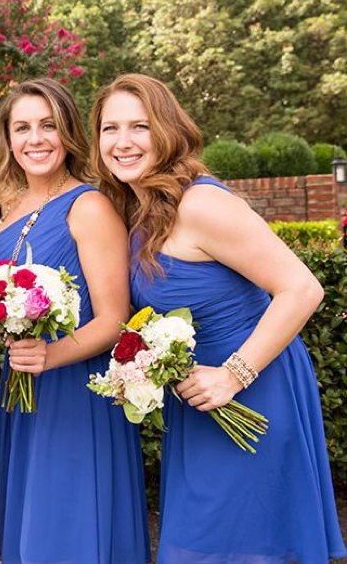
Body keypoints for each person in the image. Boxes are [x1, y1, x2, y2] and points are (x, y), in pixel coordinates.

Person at [91, 73, 346, 564]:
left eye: (139, 127)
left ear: (166, 130)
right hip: (199, 404)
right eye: (110, 128)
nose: (122, 142)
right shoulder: (143, 210)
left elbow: (301, 288)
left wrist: (234, 374)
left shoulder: (201, 203)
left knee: (239, 547)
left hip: (254, 390)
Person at [0, 78, 149, 563]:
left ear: (69, 133)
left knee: (66, 523)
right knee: (31, 522)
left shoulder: (89, 205)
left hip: (76, 392)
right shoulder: (8, 210)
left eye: (48, 126)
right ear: (8, 138)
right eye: (22, 128)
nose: (35, 139)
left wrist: (50, 353)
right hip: (23, 388)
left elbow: (116, 318)